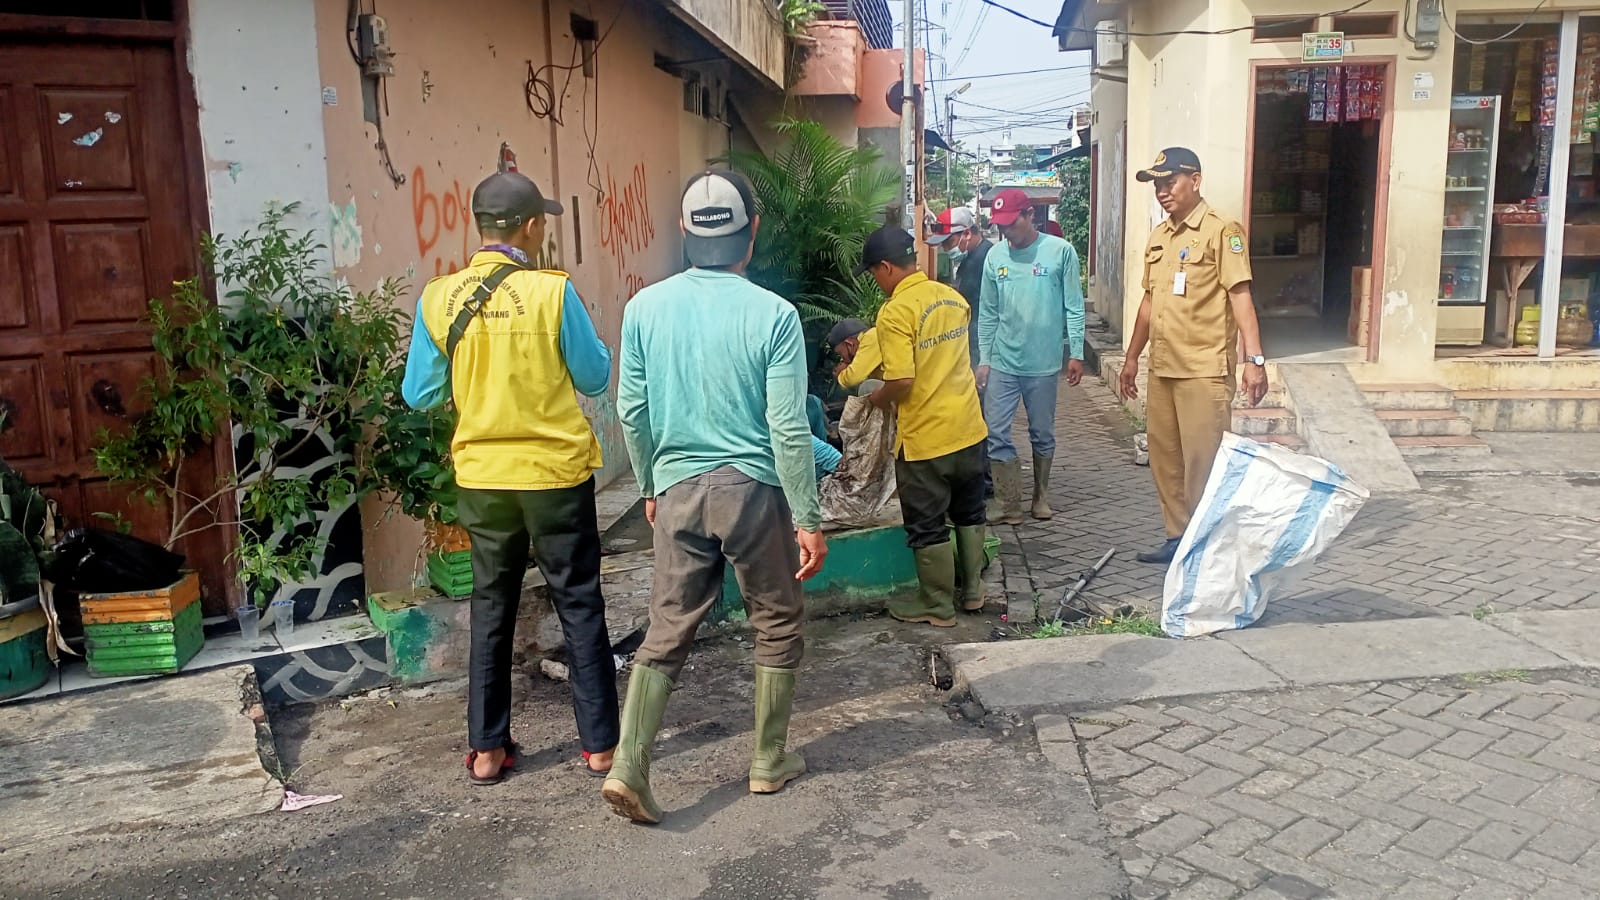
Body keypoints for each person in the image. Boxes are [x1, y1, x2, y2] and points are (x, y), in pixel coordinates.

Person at [605, 169, 828, 825]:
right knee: (777, 619)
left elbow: (632, 410)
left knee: (668, 628)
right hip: (751, 492)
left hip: (676, 489)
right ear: (751, 232)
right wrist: (808, 517)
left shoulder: (644, 307)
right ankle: (767, 762)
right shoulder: (775, 315)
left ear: (683, 232)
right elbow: (789, 427)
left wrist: (650, 484)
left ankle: (629, 766)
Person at [402, 171, 618, 786]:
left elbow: (419, 393)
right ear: (531, 226)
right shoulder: (553, 292)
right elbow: (595, 376)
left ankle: (488, 750)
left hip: (483, 477)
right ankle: (602, 747)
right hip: (554, 475)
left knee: (491, 605)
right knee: (577, 600)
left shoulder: (438, 298)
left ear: (479, 226)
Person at [1118, 148, 1269, 565]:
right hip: (1163, 368)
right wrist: (1132, 357)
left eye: (1170, 182)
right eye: (1157, 185)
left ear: (1195, 180)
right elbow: (1149, 303)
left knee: (1204, 464)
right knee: (1165, 460)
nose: (1162, 191)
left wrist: (1254, 361)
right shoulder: (1160, 237)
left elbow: (1240, 294)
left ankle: (1210, 548)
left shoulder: (1223, 231)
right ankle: (1178, 538)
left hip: (1203, 370)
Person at [857, 226, 989, 627]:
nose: (877, 283)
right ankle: (972, 593)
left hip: (926, 440)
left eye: (874, 274)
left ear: (885, 267)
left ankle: (936, 604)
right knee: (969, 512)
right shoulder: (952, 297)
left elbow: (901, 381)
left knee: (927, 524)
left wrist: (876, 399)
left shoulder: (896, 312)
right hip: (969, 428)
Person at [977, 188, 1085, 524]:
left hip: (1042, 363)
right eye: (1000, 226)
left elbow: (1074, 306)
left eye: (1011, 224)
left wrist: (1076, 352)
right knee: (995, 431)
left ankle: (1040, 495)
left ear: (1030, 217)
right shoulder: (995, 257)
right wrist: (984, 359)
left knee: (1041, 432)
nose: (1006, 232)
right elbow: (988, 312)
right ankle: (1010, 503)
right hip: (1003, 362)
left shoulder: (1060, 252)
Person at [927, 206, 996, 498]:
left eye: (949, 243)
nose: (946, 249)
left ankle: (987, 484)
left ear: (966, 234)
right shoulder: (970, 259)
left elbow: (989, 313)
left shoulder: (987, 260)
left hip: (983, 352)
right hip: (972, 349)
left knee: (983, 418)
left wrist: (985, 360)